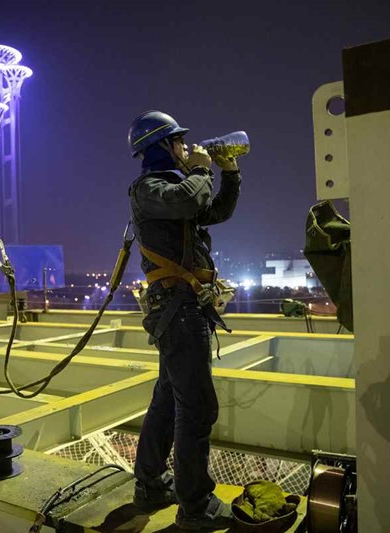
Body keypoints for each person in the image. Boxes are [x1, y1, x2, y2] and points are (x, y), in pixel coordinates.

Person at [127, 110, 242, 530]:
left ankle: (151, 485)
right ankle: (196, 506)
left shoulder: (176, 189)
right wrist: (200, 170)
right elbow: (192, 198)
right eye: (178, 142)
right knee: (196, 408)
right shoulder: (151, 189)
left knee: (168, 398)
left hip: (181, 309)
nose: (184, 148)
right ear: (162, 146)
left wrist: (228, 173)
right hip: (178, 311)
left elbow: (214, 211)